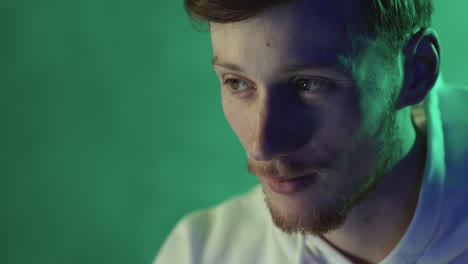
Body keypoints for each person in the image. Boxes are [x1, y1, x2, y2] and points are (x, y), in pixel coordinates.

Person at [154, 0, 468, 263]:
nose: (263, 145)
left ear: (416, 72)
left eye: (309, 84)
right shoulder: (200, 253)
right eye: (237, 83)